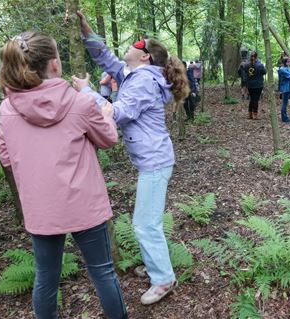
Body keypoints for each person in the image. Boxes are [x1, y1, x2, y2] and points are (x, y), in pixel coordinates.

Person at [0, 31, 127, 319]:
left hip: (41, 208)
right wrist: (105, 115)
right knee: (103, 272)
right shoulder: (79, 103)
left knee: (46, 277)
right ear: (54, 64)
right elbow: (108, 139)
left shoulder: (7, 108)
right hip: (84, 204)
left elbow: (6, 157)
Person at [76, 11, 190, 305]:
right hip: (152, 160)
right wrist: (87, 30)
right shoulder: (135, 74)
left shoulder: (142, 83)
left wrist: (87, 91)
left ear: (145, 57)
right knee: (147, 221)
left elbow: (116, 113)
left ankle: (164, 279)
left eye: (135, 45)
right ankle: (157, 268)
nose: (127, 47)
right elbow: (107, 59)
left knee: (144, 224)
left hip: (155, 162)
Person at [244, 51, 266, 120]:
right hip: (258, 85)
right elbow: (265, 72)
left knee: (252, 99)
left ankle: (250, 114)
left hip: (250, 85)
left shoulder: (246, 65)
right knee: (256, 99)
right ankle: (255, 115)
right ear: (256, 57)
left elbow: (244, 72)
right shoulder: (260, 65)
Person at [278, 57, 290, 124]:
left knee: (285, 104)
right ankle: (285, 119)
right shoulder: (282, 70)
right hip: (285, 88)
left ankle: (285, 117)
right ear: (285, 62)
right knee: (284, 104)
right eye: (288, 61)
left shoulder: (287, 68)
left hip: (288, 88)